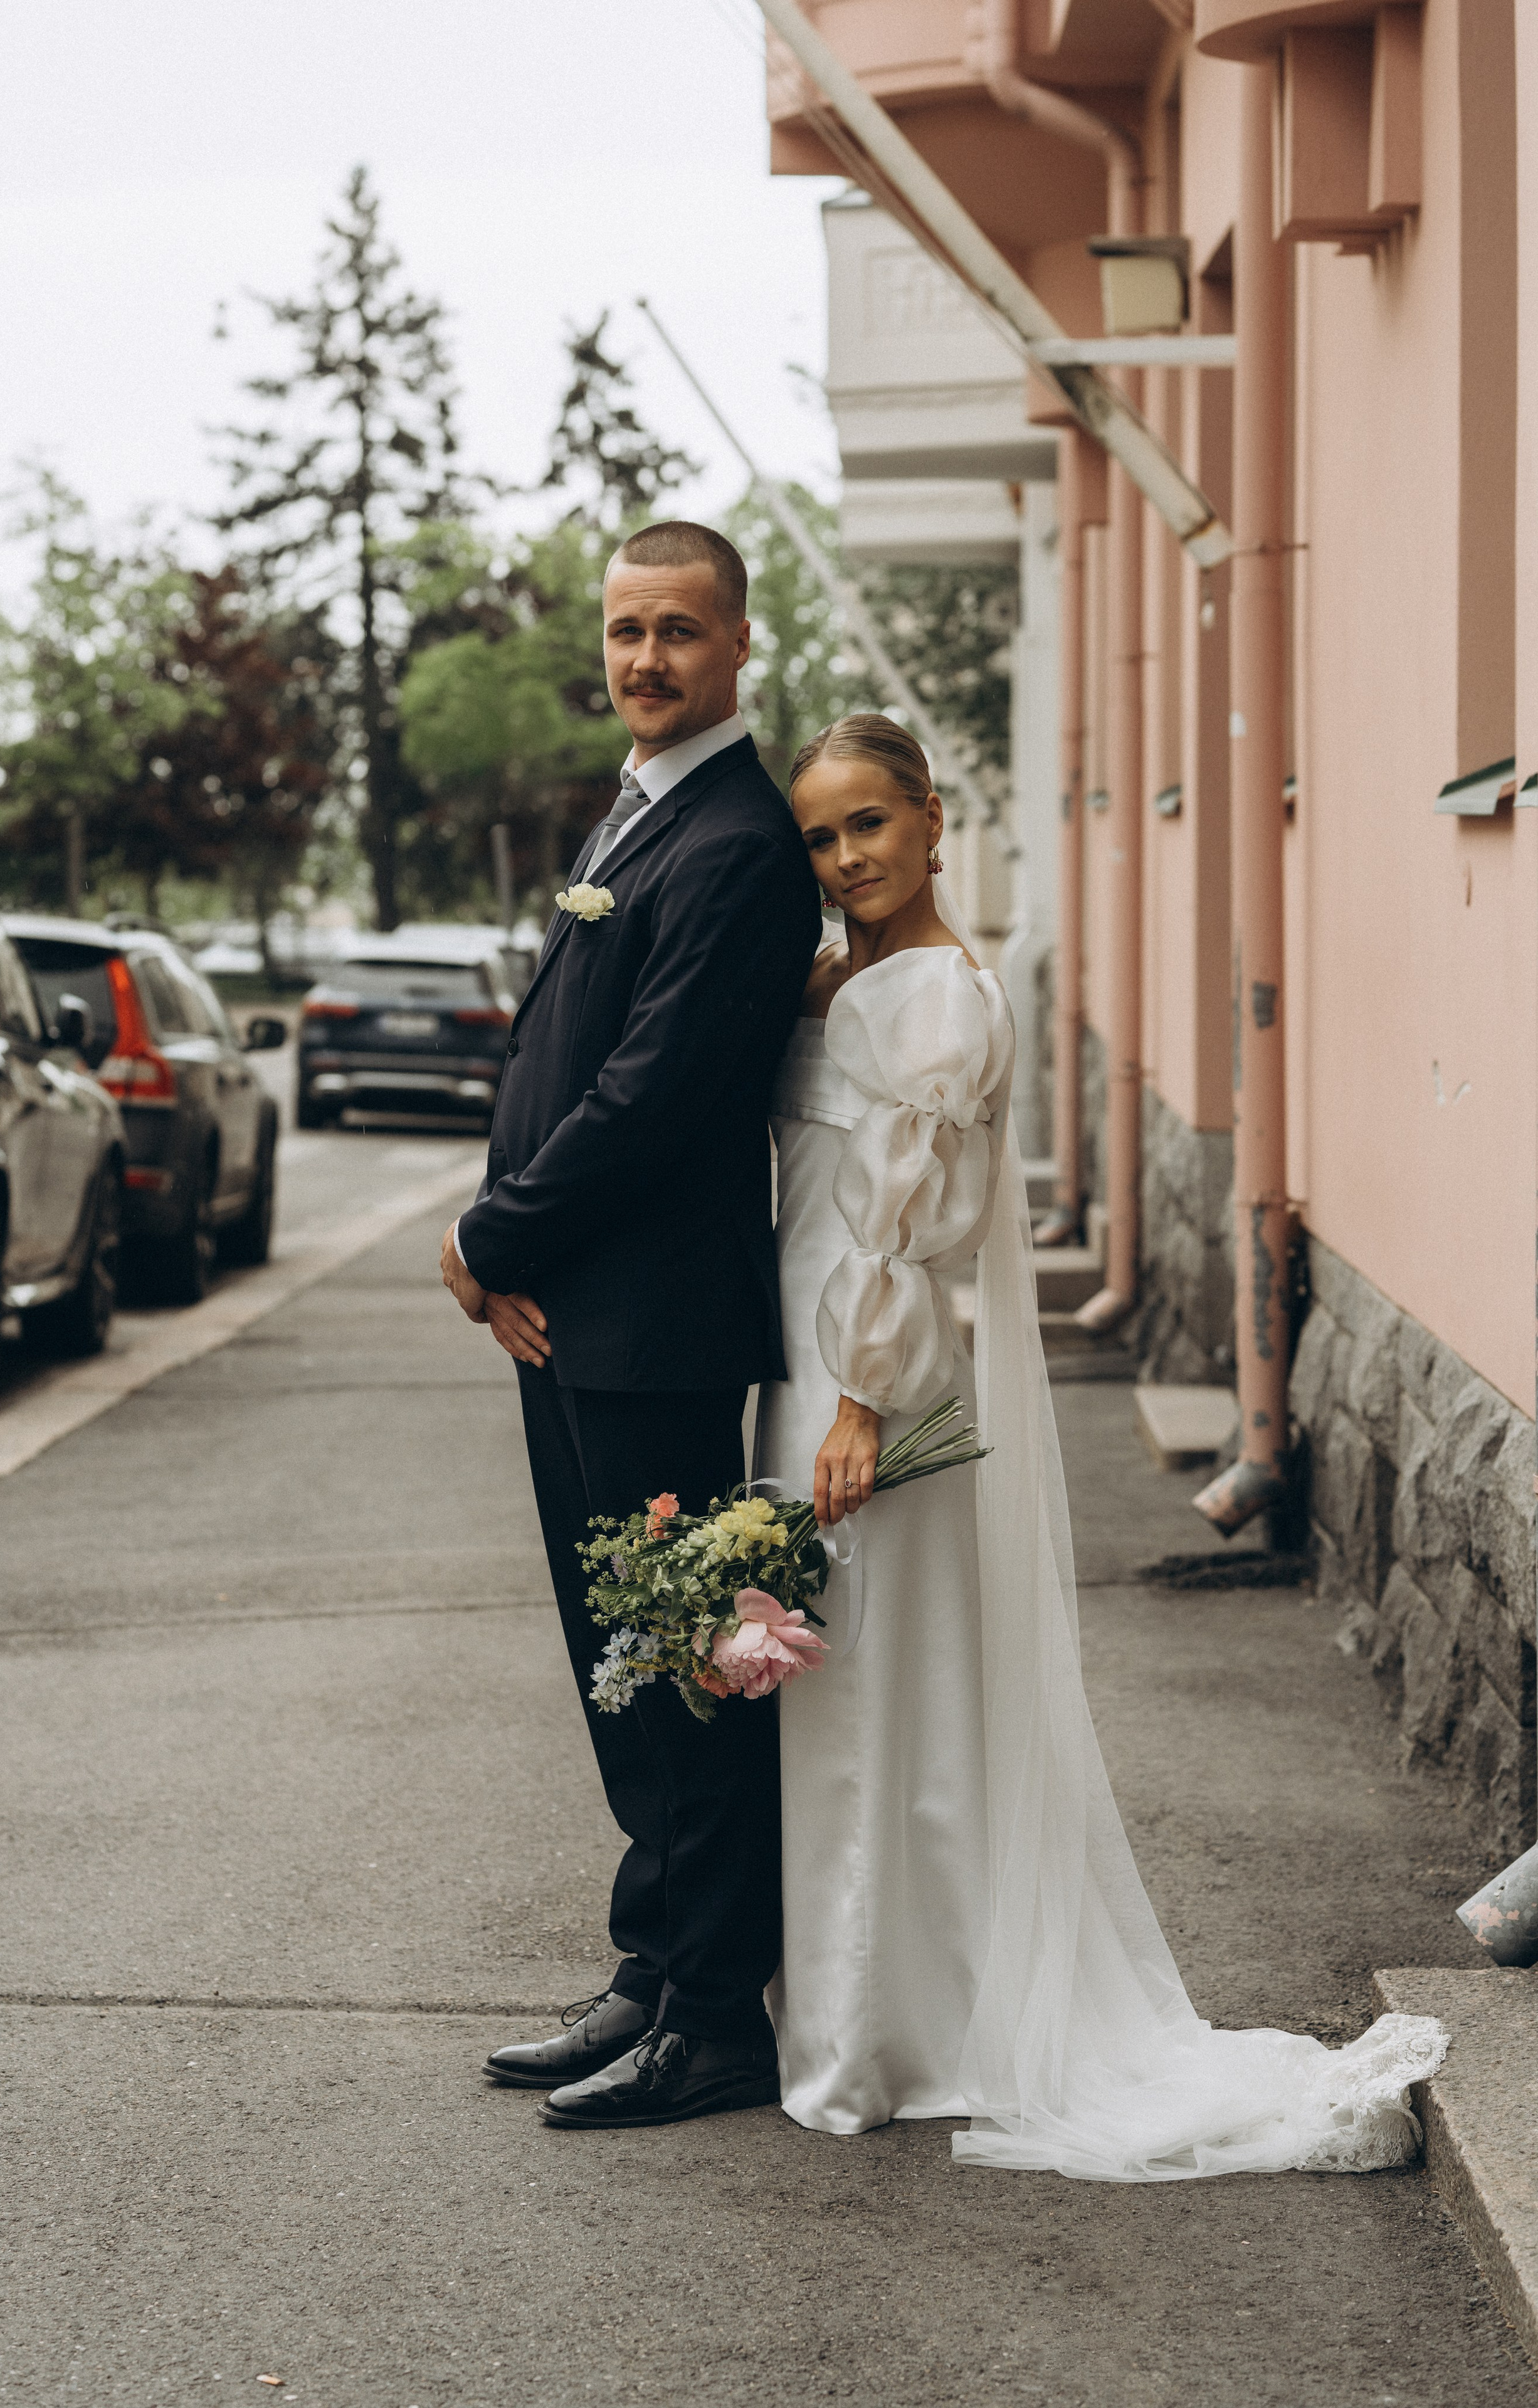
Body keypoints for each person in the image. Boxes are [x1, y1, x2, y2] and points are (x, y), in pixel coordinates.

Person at [754, 712, 1448, 2178]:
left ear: (933, 819)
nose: (844, 858)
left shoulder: (933, 996)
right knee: (847, 1681)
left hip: (867, 1380)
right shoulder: (849, 980)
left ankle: (883, 2032)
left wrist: (865, 1401)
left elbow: (909, 1217)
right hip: (811, 1363)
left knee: (873, 1682)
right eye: (817, 836)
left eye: (867, 824)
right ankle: (860, 2000)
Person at [441, 520, 820, 2131]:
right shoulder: (639, 810)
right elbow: (567, 1056)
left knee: (687, 1672)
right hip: (575, 1321)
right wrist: (504, 1245)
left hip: (655, 1326)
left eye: (677, 631)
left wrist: (485, 1233)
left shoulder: (734, 840)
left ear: (740, 645)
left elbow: (650, 1100)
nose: (644, 659)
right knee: (624, 1664)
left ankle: (718, 2016)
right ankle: (651, 1970)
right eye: (622, 631)